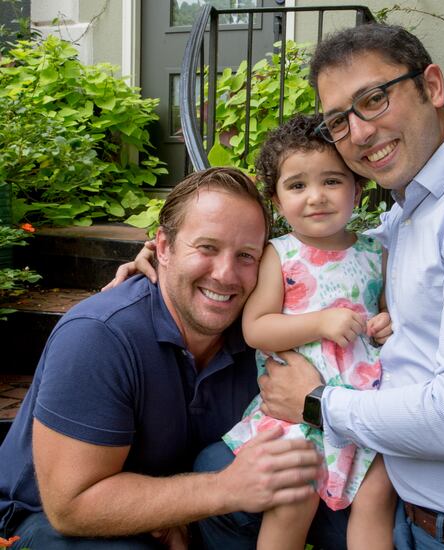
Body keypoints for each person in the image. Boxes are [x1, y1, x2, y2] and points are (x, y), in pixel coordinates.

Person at [106, 22, 444, 550]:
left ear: (432, 86)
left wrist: (316, 403)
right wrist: (165, 259)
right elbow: (326, 257)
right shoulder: (408, 218)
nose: (359, 132)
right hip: (419, 516)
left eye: (374, 99)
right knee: (221, 477)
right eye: (340, 120)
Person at [0, 167, 323, 549]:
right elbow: (70, 507)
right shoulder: (99, 335)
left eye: (246, 255)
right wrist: (223, 488)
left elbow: (347, 260)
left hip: (178, 504)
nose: (226, 274)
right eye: (207, 247)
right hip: (44, 524)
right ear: (164, 248)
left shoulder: (260, 329)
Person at [222, 114, 397, 550]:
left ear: (358, 187)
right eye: (297, 185)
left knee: (377, 496)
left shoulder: (377, 252)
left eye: (332, 182)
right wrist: (321, 322)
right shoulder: (278, 255)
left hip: (361, 406)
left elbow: (384, 318)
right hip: (294, 414)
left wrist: (384, 326)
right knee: (292, 499)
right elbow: (256, 329)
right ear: (278, 202)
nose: (316, 197)